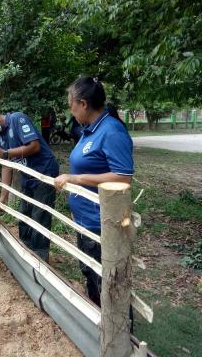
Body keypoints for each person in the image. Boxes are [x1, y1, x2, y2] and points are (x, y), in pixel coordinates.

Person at [54, 77, 134, 306]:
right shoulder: (90, 130)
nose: (71, 111)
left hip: (102, 223)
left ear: (83, 104)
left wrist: (76, 178)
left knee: (107, 284)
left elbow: (123, 176)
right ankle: (97, 325)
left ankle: (116, 335)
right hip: (86, 218)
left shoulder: (111, 131)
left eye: (71, 106)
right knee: (91, 275)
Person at [0, 103, 59, 262]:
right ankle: (24, 250)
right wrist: (3, 198)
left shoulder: (18, 119)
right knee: (24, 213)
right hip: (28, 176)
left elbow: (34, 146)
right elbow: (7, 166)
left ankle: (39, 259)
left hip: (44, 173)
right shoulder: (0, 137)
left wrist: (5, 153)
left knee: (40, 216)